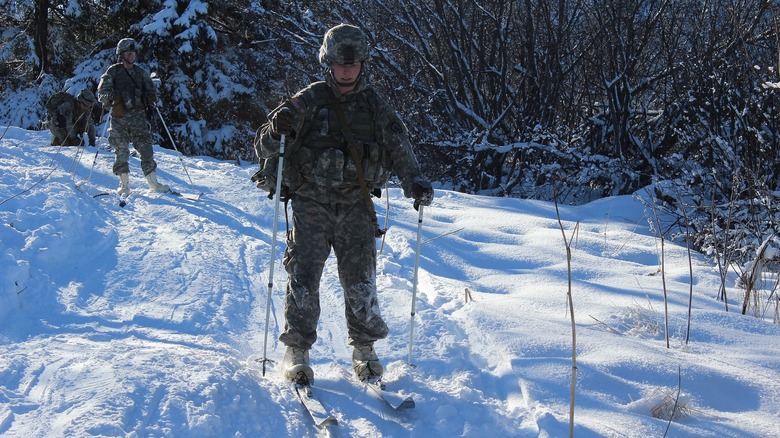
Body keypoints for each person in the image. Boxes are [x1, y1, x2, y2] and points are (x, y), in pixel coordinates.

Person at [254, 24, 434, 385]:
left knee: (360, 279)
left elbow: (399, 146)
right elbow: (264, 146)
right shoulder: (309, 99)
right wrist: (277, 129)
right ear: (329, 62)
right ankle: (298, 352)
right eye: (340, 63)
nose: (347, 70)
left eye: (353, 64)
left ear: (363, 64)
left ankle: (365, 351)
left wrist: (414, 181)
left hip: (355, 204)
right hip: (311, 203)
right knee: (304, 276)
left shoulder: (374, 106)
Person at [97, 37, 169, 195]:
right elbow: (102, 91)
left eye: (133, 53)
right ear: (121, 54)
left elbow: (150, 90)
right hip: (119, 118)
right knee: (121, 151)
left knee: (146, 149)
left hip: (138, 118)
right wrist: (109, 97)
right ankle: (124, 185)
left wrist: (151, 97)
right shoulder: (113, 71)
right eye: (128, 53)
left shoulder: (140, 73)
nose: (131, 56)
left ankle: (153, 183)